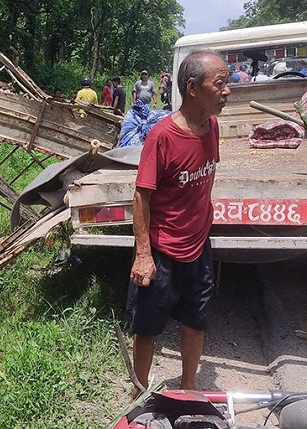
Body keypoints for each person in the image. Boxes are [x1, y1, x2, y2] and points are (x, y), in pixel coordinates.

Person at [128, 51, 228, 394]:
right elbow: (141, 196)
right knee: (148, 328)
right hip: (162, 251)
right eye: (220, 84)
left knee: (195, 322)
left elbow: (206, 179)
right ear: (192, 88)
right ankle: (138, 393)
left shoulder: (212, 127)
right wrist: (143, 254)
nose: (227, 91)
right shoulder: (162, 136)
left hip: (199, 247)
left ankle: (188, 390)